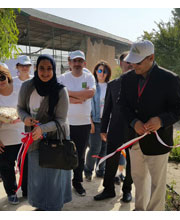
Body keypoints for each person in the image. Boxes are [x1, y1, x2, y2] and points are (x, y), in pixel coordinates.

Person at [118, 40, 180, 211]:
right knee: (138, 178)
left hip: (158, 141)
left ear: (151, 58)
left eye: (138, 62)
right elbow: (122, 105)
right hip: (135, 139)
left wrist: (161, 121)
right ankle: (140, 209)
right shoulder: (127, 78)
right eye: (132, 61)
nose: (133, 65)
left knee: (157, 184)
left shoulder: (169, 79)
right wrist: (134, 122)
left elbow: (179, 108)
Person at [17, 54, 72, 211]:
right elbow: (20, 108)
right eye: (42, 68)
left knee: (54, 176)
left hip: (56, 139)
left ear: (54, 70)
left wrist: (42, 128)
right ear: (36, 69)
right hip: (34, 139)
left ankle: (54, 207)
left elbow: (61, 120)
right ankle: (41, 206)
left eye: (49, 68)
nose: (45, 72)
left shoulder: (60, 91)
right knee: (38, 174)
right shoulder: (27, 87)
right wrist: (26, 118)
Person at [93, 52, 134, 203]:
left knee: (131, 162)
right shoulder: (113, 84)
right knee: (111, 160)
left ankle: (127, 190)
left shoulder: (140, 83)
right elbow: (107, 109)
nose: (129, 64)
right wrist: (103, 129)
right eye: (126, 62)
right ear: (121, 64)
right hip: (115, 129)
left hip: (133, 130)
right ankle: (108, 189)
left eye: (131, 62)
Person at [0, 64, 28, 205]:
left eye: (1, 78)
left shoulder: (20, 88)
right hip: (3, 139)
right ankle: (11, 192)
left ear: (7, 75)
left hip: (22, 136)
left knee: (26, 166)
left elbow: (28, 109)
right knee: (5, 168)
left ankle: (27, 190)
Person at [58, 50, 96, 196]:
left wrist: (70, 94)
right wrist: (80, 97)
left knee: (80, 154)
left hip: (84, 123)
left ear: (84, 63)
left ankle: (77, 182)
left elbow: (90, 93)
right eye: (74, 61)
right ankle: (64, 181)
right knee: (64, 153)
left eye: (80, 61)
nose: (77, 64)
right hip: (66, 123)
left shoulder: (89, 76)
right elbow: (60, 96)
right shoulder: (62, 78)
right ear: (69, 63)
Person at [84, 60, 111, 181]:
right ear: (95, 71)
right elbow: (86, 104)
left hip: (107, 122)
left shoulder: (111, 86)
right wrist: (90, 121)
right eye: (100, 70)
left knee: (104, 147)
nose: (102, 73)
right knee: (95, 147)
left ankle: (101, 170)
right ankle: (88, 170)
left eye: (105, 71)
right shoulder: (92, 86)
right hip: (95, 121)